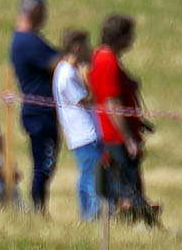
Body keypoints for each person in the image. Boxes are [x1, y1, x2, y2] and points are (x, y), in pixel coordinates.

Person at [90, 13, 154, 223]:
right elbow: (112, 103)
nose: (132, 40)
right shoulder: (107, 60)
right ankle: (135, 224)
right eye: (129, 35)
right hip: (116, 136)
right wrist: (128, 138)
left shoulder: (100, 56)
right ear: (119, 36)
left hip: (114, 133)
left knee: (124, 186)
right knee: (129, 189)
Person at [10, 0, 60, 214]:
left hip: (40, 112)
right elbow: (57, 62)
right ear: (35, 11)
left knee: (45, 163)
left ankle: (39, 207)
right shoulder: (28, 41)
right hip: (40, 113)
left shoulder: (26, 39)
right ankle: (38, 209)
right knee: (43, 164)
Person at [50, 29, 98, 222]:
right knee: (91, 177)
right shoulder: (67, 73)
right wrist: (90, 81)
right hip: (84, 133)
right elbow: (86, 100)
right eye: (87, 45)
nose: (90, 50)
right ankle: (91, 215)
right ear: (77, 48)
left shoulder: (66, 70)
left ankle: (88, 215)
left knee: (88, 175)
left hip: (82, 134)